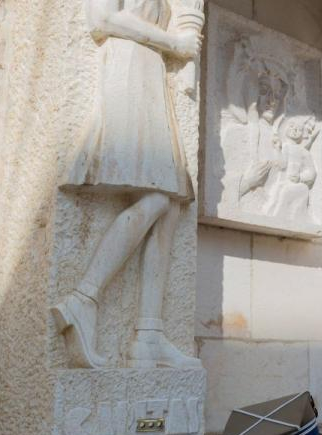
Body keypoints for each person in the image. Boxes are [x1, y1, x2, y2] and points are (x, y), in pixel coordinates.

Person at [52, 0, 202, 368]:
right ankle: (83, 299)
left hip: (149, 72)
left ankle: (149, 333)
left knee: (168, 202)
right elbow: (101, 18)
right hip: (128, 68)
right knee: (155, 197)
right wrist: (174, 43)